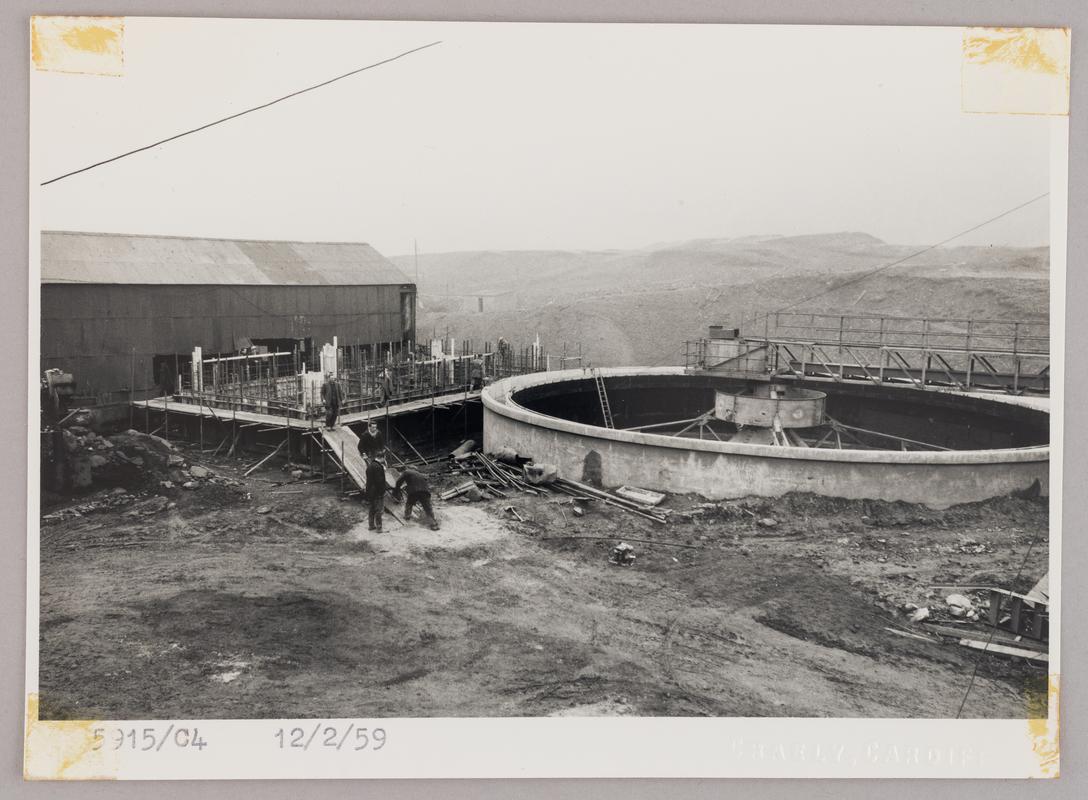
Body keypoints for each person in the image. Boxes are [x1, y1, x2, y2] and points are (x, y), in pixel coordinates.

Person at [364, 456, 387, 532]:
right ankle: (379, 528)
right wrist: (382, 491)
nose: (384, 460)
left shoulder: (370, 466)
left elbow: (369, 481)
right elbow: (379, 481)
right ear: (382, 457)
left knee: (372, 509)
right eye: (384, 459)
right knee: (379, 510)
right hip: (377, 491)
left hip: (370, 491)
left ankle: (371, 526)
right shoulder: (378, 467)